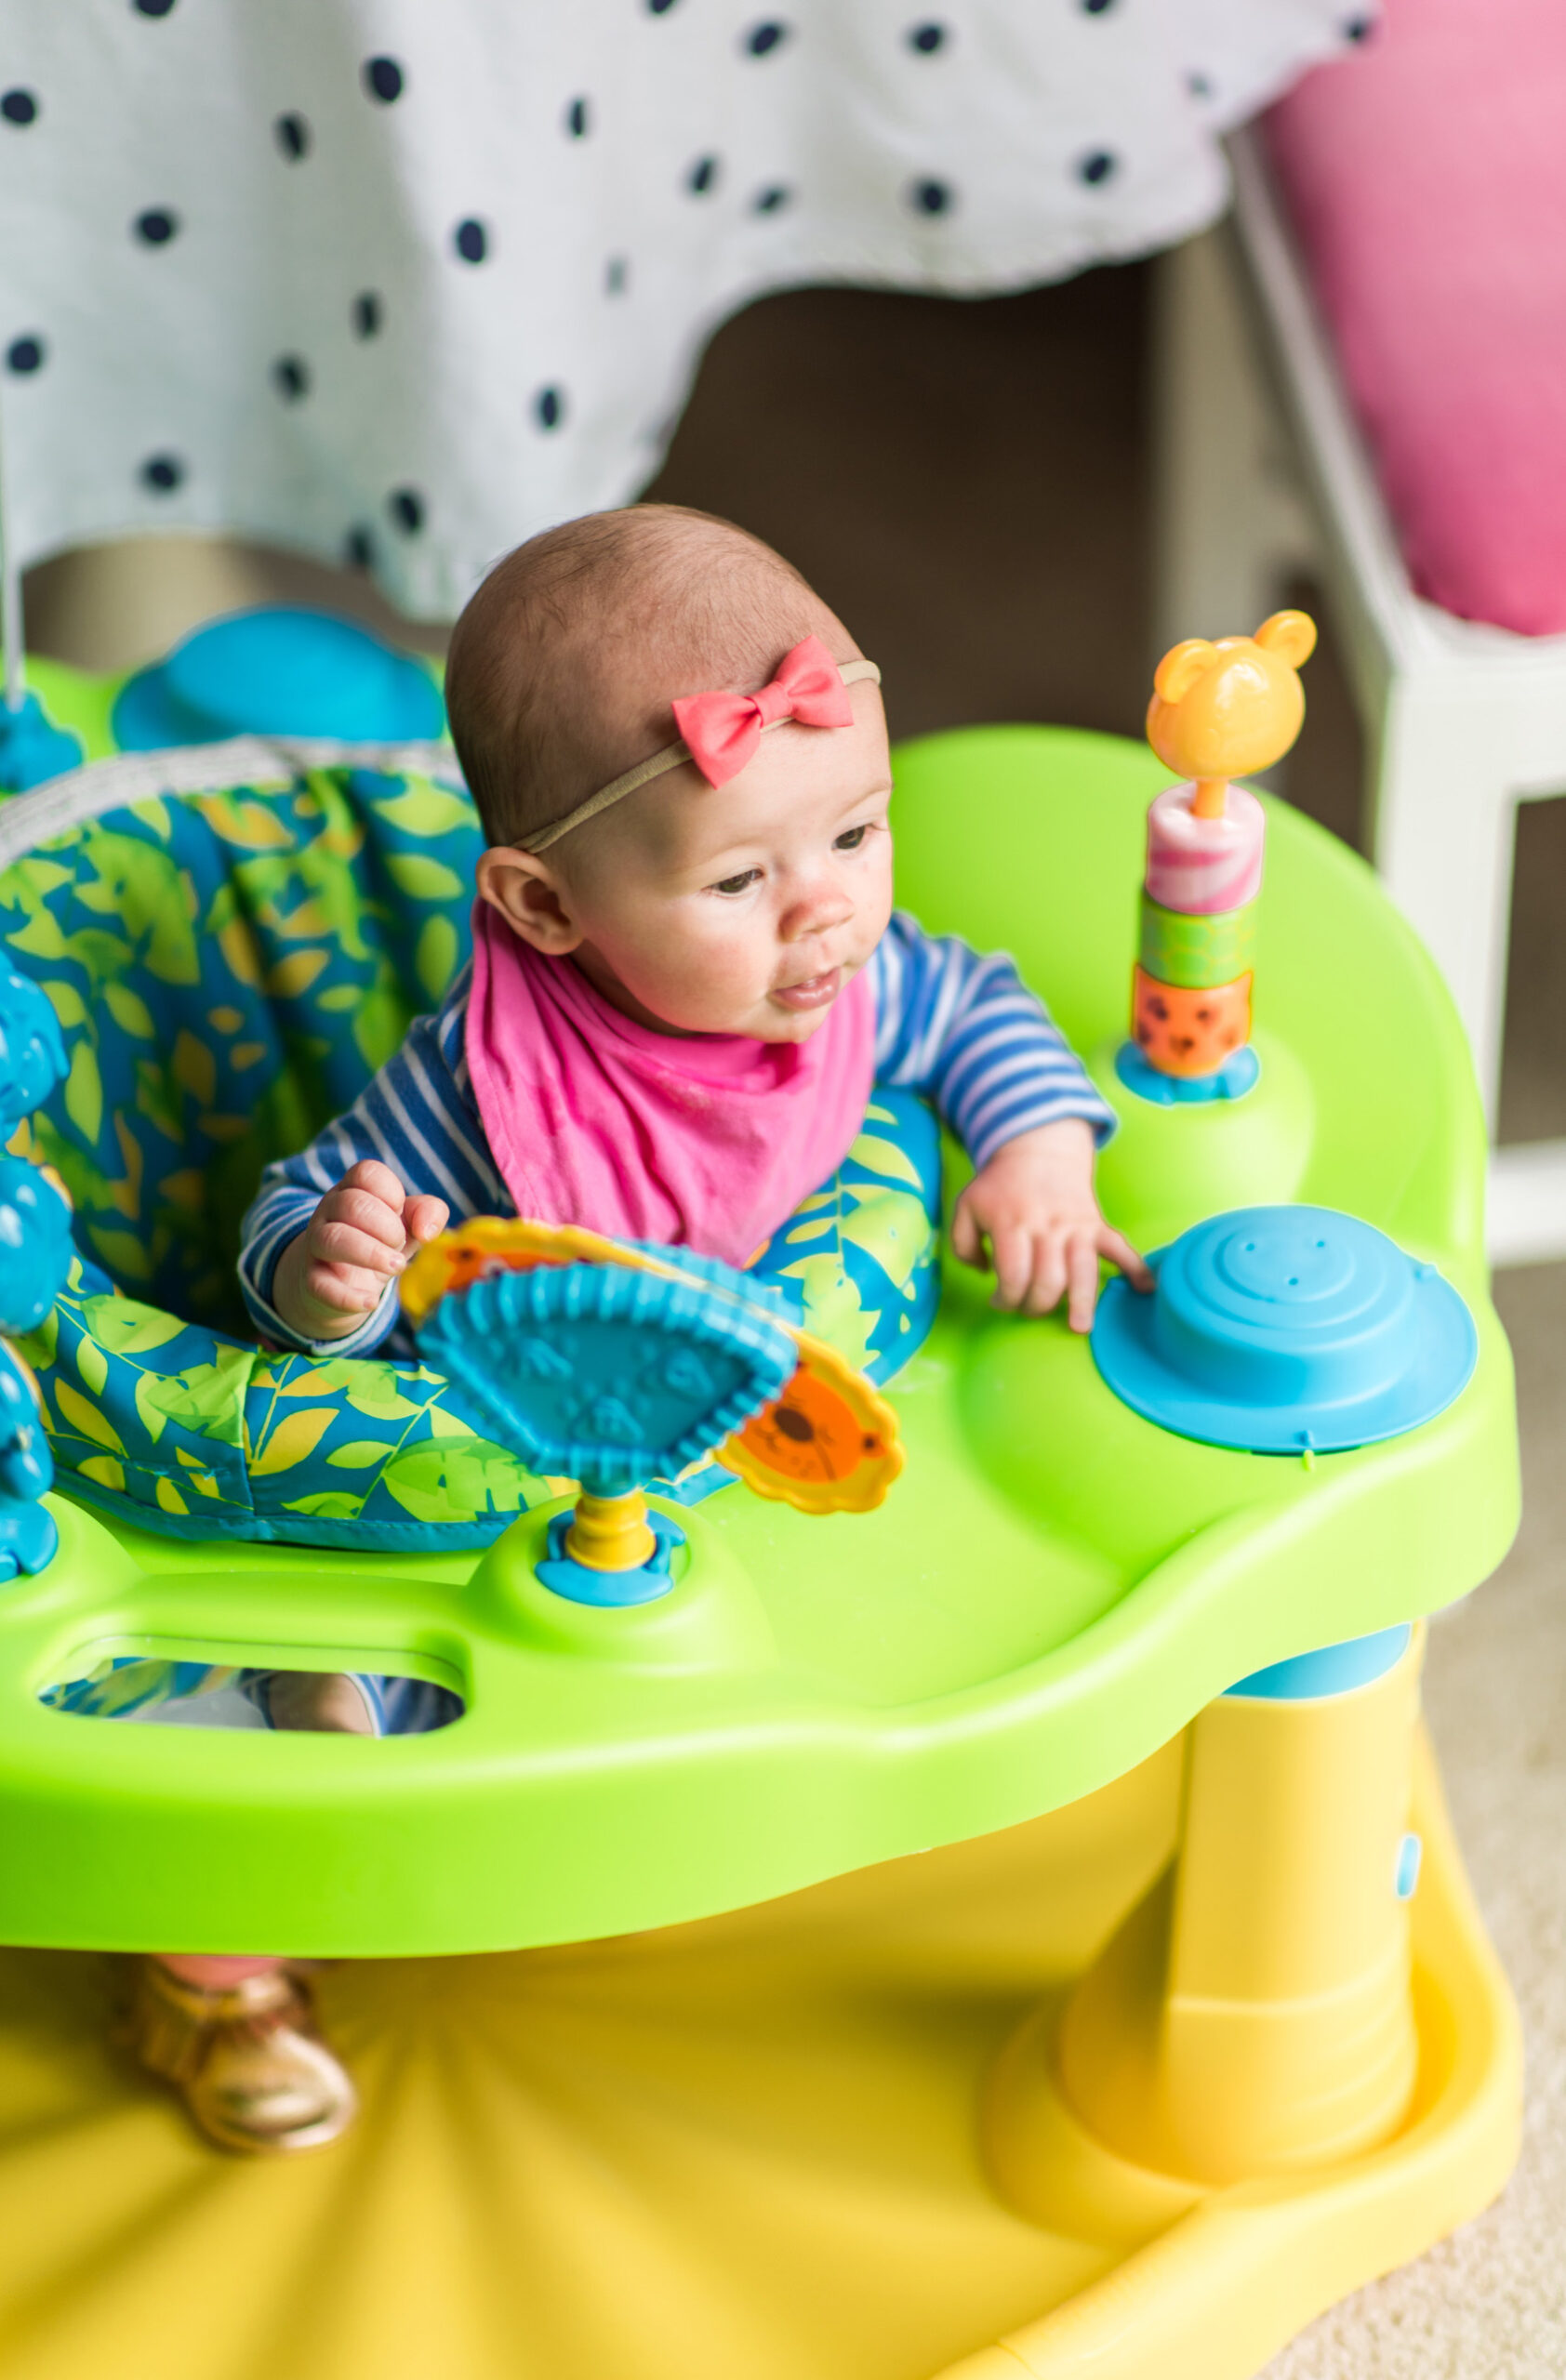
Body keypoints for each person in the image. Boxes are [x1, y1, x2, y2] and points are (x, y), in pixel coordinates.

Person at [134, 501, 1150, 2157]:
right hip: (497, 1490)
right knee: (311, 1685)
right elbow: (292, 1217)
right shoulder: (483, 1089)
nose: (826, 913)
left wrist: (1037, 1151)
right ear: (546, 908)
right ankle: (222, 1969)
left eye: (859, 833)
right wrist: (332, 1274)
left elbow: (979, 1003)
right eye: (742, 878)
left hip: (750, 1469)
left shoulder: (846, 975)